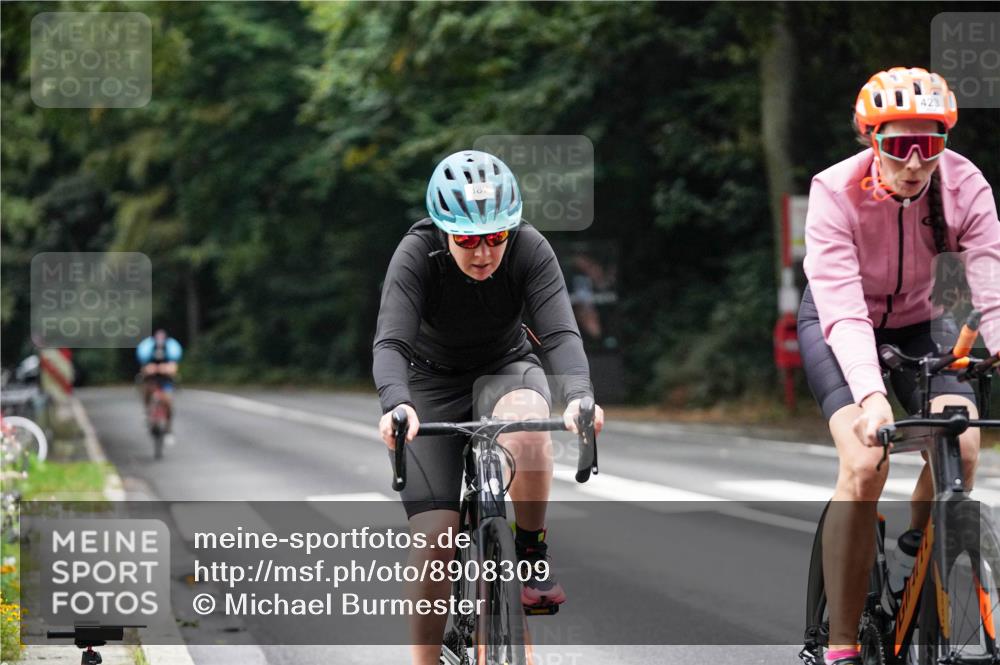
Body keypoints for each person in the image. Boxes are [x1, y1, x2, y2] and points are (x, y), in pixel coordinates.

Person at [798, 67, 1000, 665]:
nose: (914, 162)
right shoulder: (834, 191)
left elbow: (989, 285)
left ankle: (921, 549)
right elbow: (845, 312)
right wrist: (871, 396)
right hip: (839, 319)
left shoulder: (966, 185)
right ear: (870, 139)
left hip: (924, 319)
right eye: (898, 146)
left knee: (960, 446)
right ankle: (839, 646)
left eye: (929, 146)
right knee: (865, 462)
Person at [373, 149, 605, 665]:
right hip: (428, 382)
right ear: (444, 230)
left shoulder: (528, 248)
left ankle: (529, 550)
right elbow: (390, 344)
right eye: (468, 239)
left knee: (527, 430)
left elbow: (561, 331)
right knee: (435, 535)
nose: (483, 253)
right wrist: (396, 405)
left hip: (505, 368)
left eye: (495, 236)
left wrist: (581, 397)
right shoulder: (415, 254)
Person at [136, 329, 183, 444]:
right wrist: (150, 369)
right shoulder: (148, 347)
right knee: (145, 388)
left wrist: (165, 369)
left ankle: (168, 429)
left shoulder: (171, 347)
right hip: (151, 378)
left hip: (165, 379)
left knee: (168, 402)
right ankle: (147, 411)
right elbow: (144, 366)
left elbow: (173, 367)